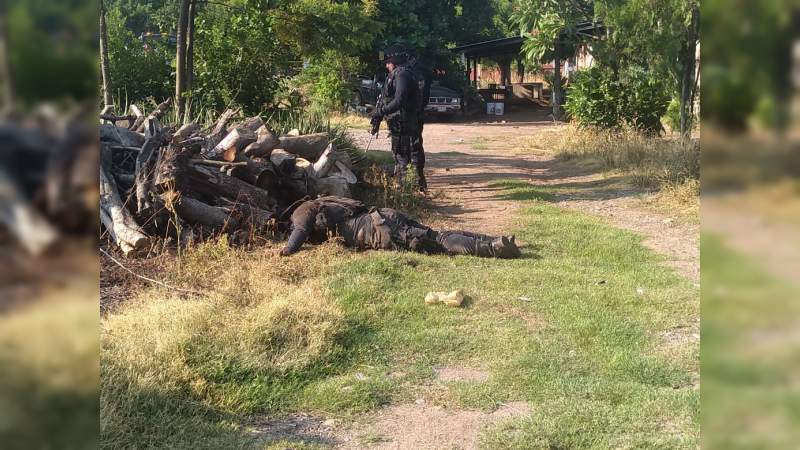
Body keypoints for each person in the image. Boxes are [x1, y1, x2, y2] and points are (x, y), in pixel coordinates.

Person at [279, 196, 521, 258]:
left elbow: (298, 234)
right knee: (436, 234)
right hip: (384, 216)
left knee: (438, 242)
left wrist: (286, 250)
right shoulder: (324, 201)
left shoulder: (301, 212)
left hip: (380, 229)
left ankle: (495, 248)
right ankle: (495, 239)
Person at [370, 44, 426, 191]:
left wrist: (381, 111)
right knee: (402, 157)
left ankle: (411, 191)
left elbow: (399, 100)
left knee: (408, 158)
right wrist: (377, 118)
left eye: (388, 62)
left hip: (406, 123)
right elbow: (386, 98)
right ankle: (410, 189)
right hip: (400, 124)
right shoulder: (398, 74)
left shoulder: (402, 75)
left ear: (394, 60)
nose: (387, 65)